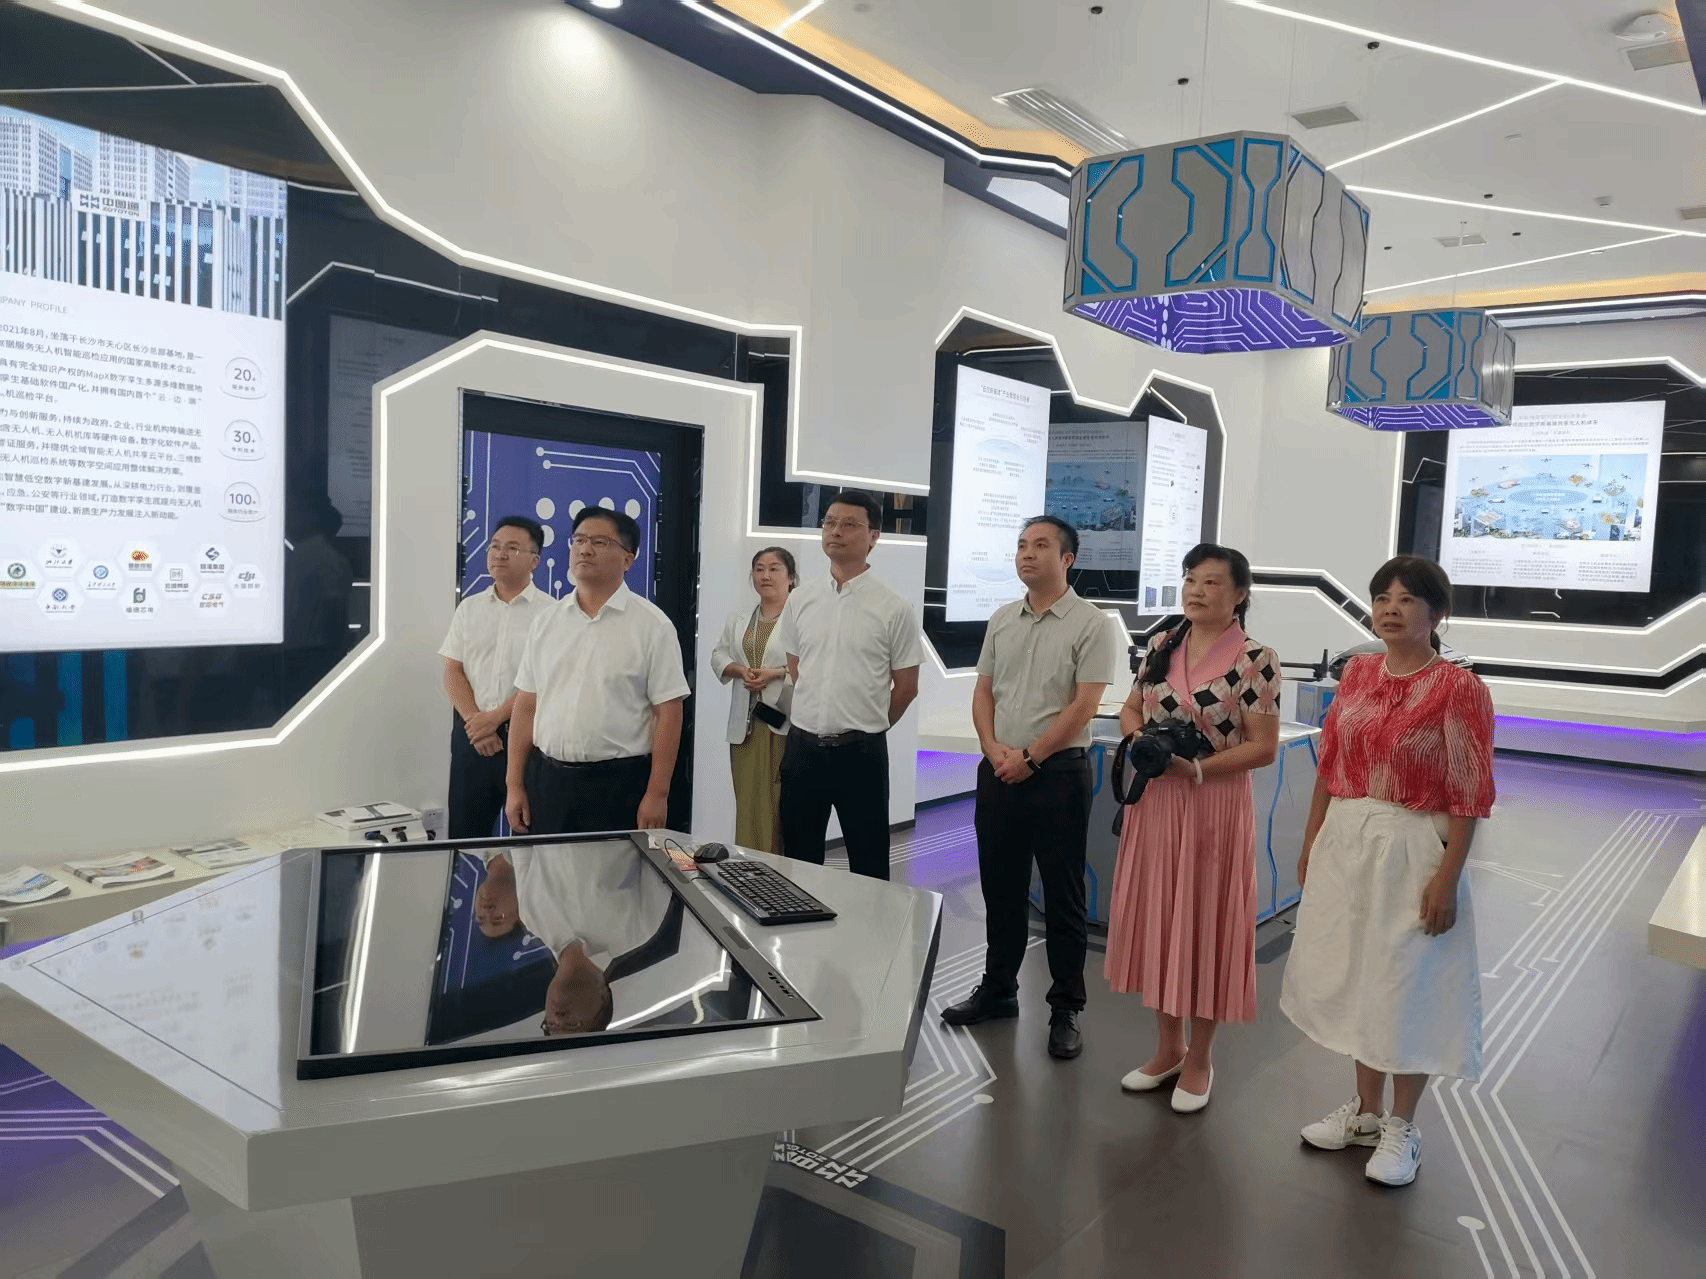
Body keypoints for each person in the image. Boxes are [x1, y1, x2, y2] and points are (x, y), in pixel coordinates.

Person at [1280, 555, 1494, 1188]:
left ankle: (1403, 1124)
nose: (1391, 609)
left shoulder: (1459, 688)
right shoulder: (1358, 673)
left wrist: (1447, 877)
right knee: (1358, 975)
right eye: (1382, 598)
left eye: (1407, 599)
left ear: (1437, 613)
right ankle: (1365, 1113)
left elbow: (1470, 792)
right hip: (1347, 838)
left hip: (1412, 844)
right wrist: (1312, 840)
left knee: (1408, 980)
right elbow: (1329, 764)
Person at [1105, 544, 1280, 1113]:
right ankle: (1167, 1048)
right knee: (1161, 919)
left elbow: (1263, 747)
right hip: (1156, 801)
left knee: (1205, 924)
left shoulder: (1256, 658)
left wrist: (1199, 768)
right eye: (1190, 580)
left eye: (1211, 582)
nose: (1196, 591)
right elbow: (1131, 708)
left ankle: (1200, 1058)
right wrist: (1140, 741)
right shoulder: (1162, 643)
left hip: (1213, 805)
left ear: (1240, 595)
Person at [940, 516, 1119, 1061]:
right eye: (1021, 545)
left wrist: (1032, 758)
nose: (1027, 554)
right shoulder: (1002, 618)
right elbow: (983, 691)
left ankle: (1066, 1007)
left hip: (1058, 774)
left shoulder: (1091, 624)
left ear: (1067, 559)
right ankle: (999, 989)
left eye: (1041, 545)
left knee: (1063, 895)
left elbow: (1085, 705)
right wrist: (993, 748)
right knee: (1001, 888)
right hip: (998, 770)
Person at [505, 506, 689, 835]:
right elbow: (526, 705)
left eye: (600, 542)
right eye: (578, 540)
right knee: (546, 868)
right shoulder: (546, 622)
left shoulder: (652, 626)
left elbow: (669, 713)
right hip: (548, 782)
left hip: (618, 785)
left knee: (615, 870)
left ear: (628, 559)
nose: (585, 549)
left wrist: (658, 793)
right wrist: (515, 785)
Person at [774, 490, 922, 880]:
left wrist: (867, 723)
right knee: (799, 863)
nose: (835, 531)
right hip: (802, 750)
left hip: (861, 754)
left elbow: (906, 687)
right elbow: (796, 668)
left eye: (849, 524)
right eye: (829, 522)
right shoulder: (801, 599)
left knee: (868, 864)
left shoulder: (894, 607)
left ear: (873, 536)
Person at [438, 515, 548, 839]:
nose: (500, 554)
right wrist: (477, 722)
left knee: (528, 834)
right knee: (464, 837)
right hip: (472, 736)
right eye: (495, 546)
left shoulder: (552, 613)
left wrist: (496, 718)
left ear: (534, 560)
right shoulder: (469, 608)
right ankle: (481, 876)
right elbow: (453, 670)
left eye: (512, 548)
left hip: (527, 739)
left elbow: (543, 680)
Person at [710, 546, 798, 853]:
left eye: (774, 569)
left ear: (791, 578)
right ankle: (748, 865)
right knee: (747, 802)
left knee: (777, 803)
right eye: (759, 569)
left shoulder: (800, 619)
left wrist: (776, 674)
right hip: (744, 727)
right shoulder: (739, 619)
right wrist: (739, 670)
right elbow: (718, 654)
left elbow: (813, 665)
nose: (765, 575)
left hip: (782, 724)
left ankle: (776, 868)